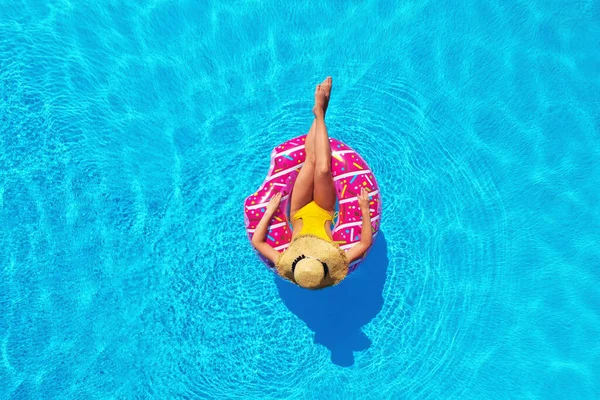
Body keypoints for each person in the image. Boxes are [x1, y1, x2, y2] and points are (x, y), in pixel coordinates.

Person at [251, 77, 373, 289]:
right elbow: (364, 243)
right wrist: (364, 210)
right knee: (324, 168)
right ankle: (320, 113)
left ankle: (319, 113)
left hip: (297, 210)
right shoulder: (329, 265)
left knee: (311, 160)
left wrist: (270, 211)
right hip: (325, 210)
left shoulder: (287, 263)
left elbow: (258, 242)